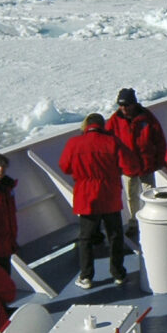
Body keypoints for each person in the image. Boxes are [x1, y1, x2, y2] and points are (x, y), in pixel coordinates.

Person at [59, 112, 128, 288]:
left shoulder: (74, 143)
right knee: (115, 235)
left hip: (87, 196)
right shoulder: (112, 142)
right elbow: (126, 164)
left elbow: (65, 166)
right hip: (109, 194)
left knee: (86, 238)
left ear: (86, 126)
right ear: (101, 126)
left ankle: (86, 276)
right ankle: (118, 273)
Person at [108, 88, 166, 241]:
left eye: (126, 105)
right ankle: (134, 222)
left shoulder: (147, 118)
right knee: (131, 196)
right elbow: (108, 142)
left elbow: (159, 139)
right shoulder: (115, 120)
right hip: (128, 166)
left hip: (147, 164)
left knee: (151, 193)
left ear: (134, 104)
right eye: (121, 105)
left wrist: (159, 160)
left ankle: (153, 219)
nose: (123, 108)